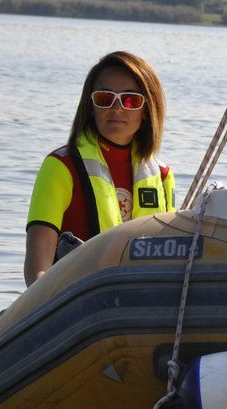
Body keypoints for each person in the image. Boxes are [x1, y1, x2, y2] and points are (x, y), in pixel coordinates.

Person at [23, 51, 174, 286]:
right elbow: (38, 262)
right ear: (91, 106)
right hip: (75, 304)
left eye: (130, 100)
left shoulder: (163, 176)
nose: (117, 108)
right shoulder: (60, 166)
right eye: (105, 98)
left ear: (146, 110)